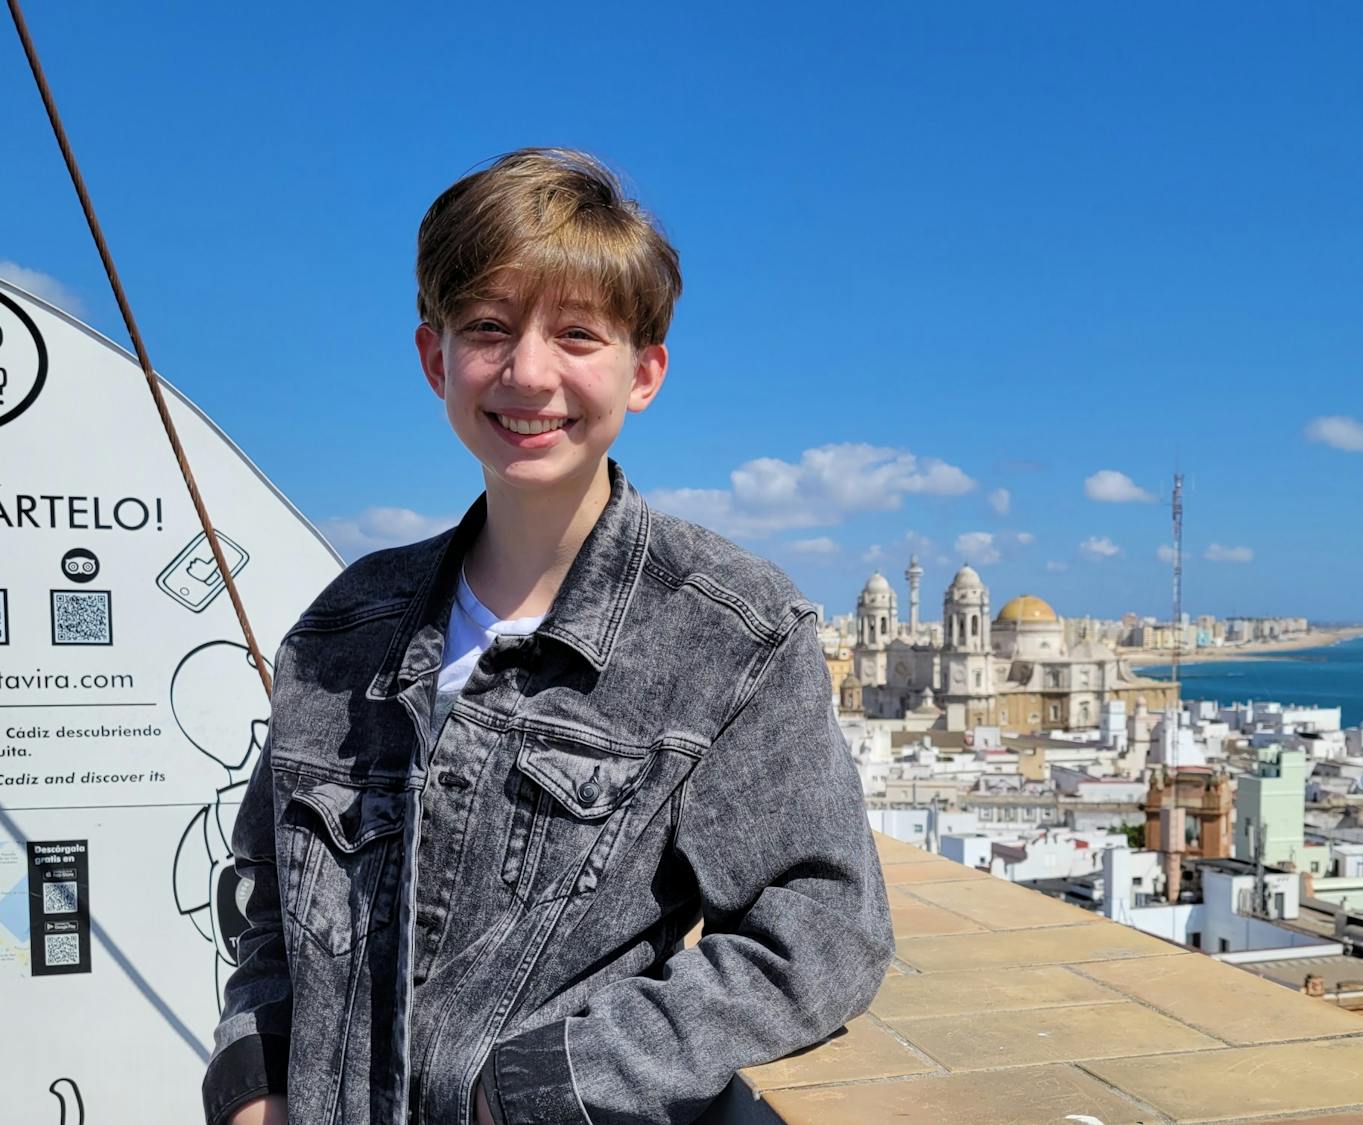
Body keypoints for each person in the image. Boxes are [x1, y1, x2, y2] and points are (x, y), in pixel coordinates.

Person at [202, 148, 893, 1125]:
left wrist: (538, 1087)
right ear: (436, 359)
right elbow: (271, 898)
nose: (528, 372)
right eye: (489, 328)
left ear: (643, 372)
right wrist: (254, 1084)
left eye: (576, 334)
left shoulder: (728, 635)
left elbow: (822, 932)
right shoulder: (348, 624)